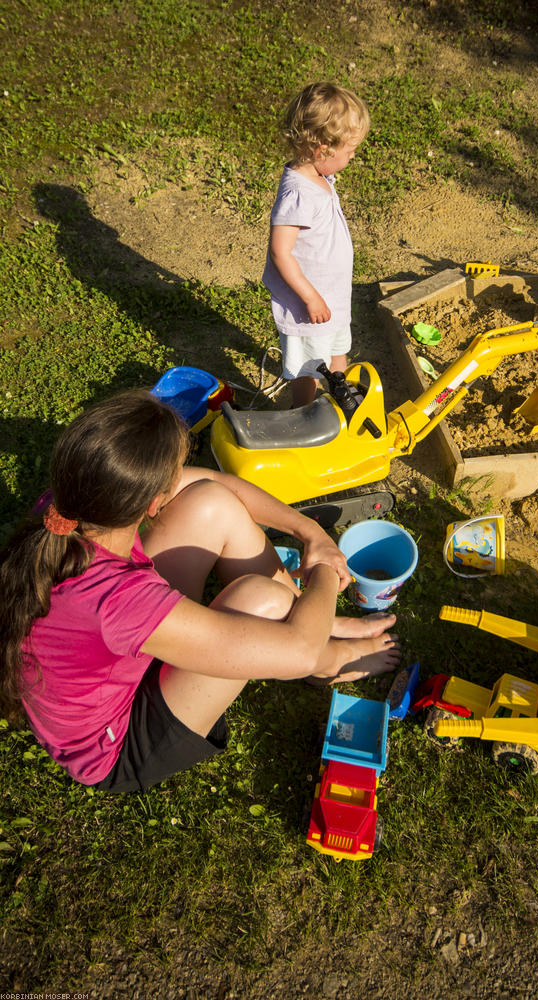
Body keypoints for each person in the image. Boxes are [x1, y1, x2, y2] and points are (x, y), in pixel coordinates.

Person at [0, 390, 400, 794]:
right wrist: (326, 569)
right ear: (154, 502)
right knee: (264, 603)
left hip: (118, 654)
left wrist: (310, 532)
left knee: (211, 502)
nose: (182, 475)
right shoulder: (117, 601)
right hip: (118, 745)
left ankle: (321, 624)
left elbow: (215, 483)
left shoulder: (70, 508)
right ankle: (330, 659)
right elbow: (298, 651)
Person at [262, 81, 370, 408]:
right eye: (350, 152)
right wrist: (309, 297)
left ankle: (342, 399)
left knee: (338, 349)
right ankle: (302, 412)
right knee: (310, 366)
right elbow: (280, 251)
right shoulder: (298, 192)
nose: (353, 157)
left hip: (331, 297)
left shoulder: (320, 176)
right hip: (310, 305)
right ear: (323, 150)